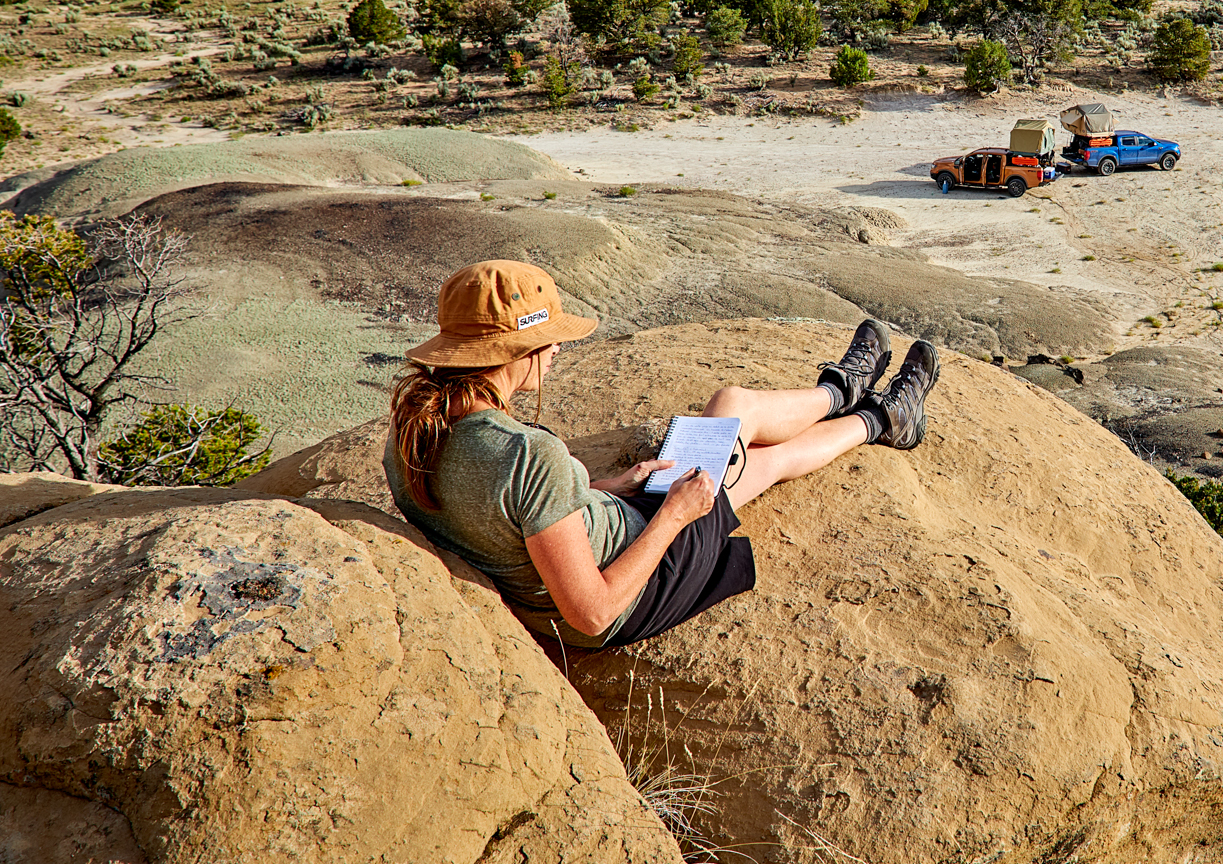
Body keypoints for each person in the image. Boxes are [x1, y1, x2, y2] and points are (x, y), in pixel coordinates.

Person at [385, 259, 939, 649]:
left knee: (734, 439)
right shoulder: (528, 454)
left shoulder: (412, 433)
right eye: (550, 339)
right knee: (738, 420)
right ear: (517, 350)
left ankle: (857, 402)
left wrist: (598, 491)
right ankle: (865, 409)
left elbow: (504, 512)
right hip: (635, 588)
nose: (556, 348)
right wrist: (676, 513)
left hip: (590, 549)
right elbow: (594, 614)